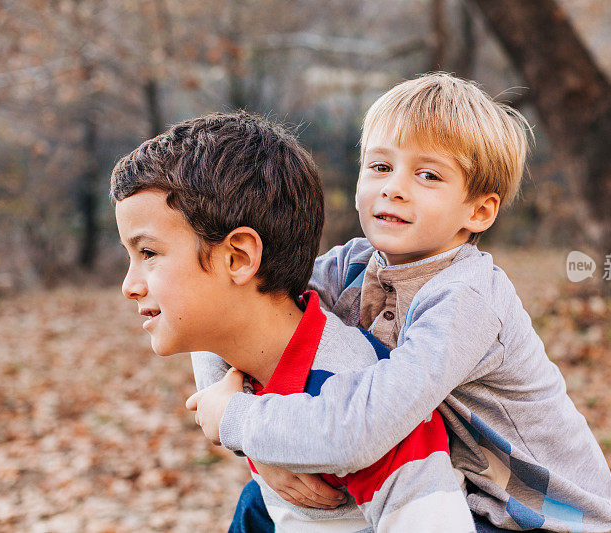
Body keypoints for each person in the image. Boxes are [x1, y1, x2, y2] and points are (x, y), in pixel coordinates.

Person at [193, 73, 611, 532]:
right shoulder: (348, 267)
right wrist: (255, 445)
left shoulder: (466, 298)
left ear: (478, 211)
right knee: (262, 501)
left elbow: (368, 426)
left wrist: (238, 420)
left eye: (428, 175)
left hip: (528, 515)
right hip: (437, 480)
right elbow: (234, 306)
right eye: (379, 167)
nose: (394, 187)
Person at [110, 112, 476, 532]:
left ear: (239, 258)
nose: (129, 285)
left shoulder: (353, 399)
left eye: (149, 253)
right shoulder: (238, 371)